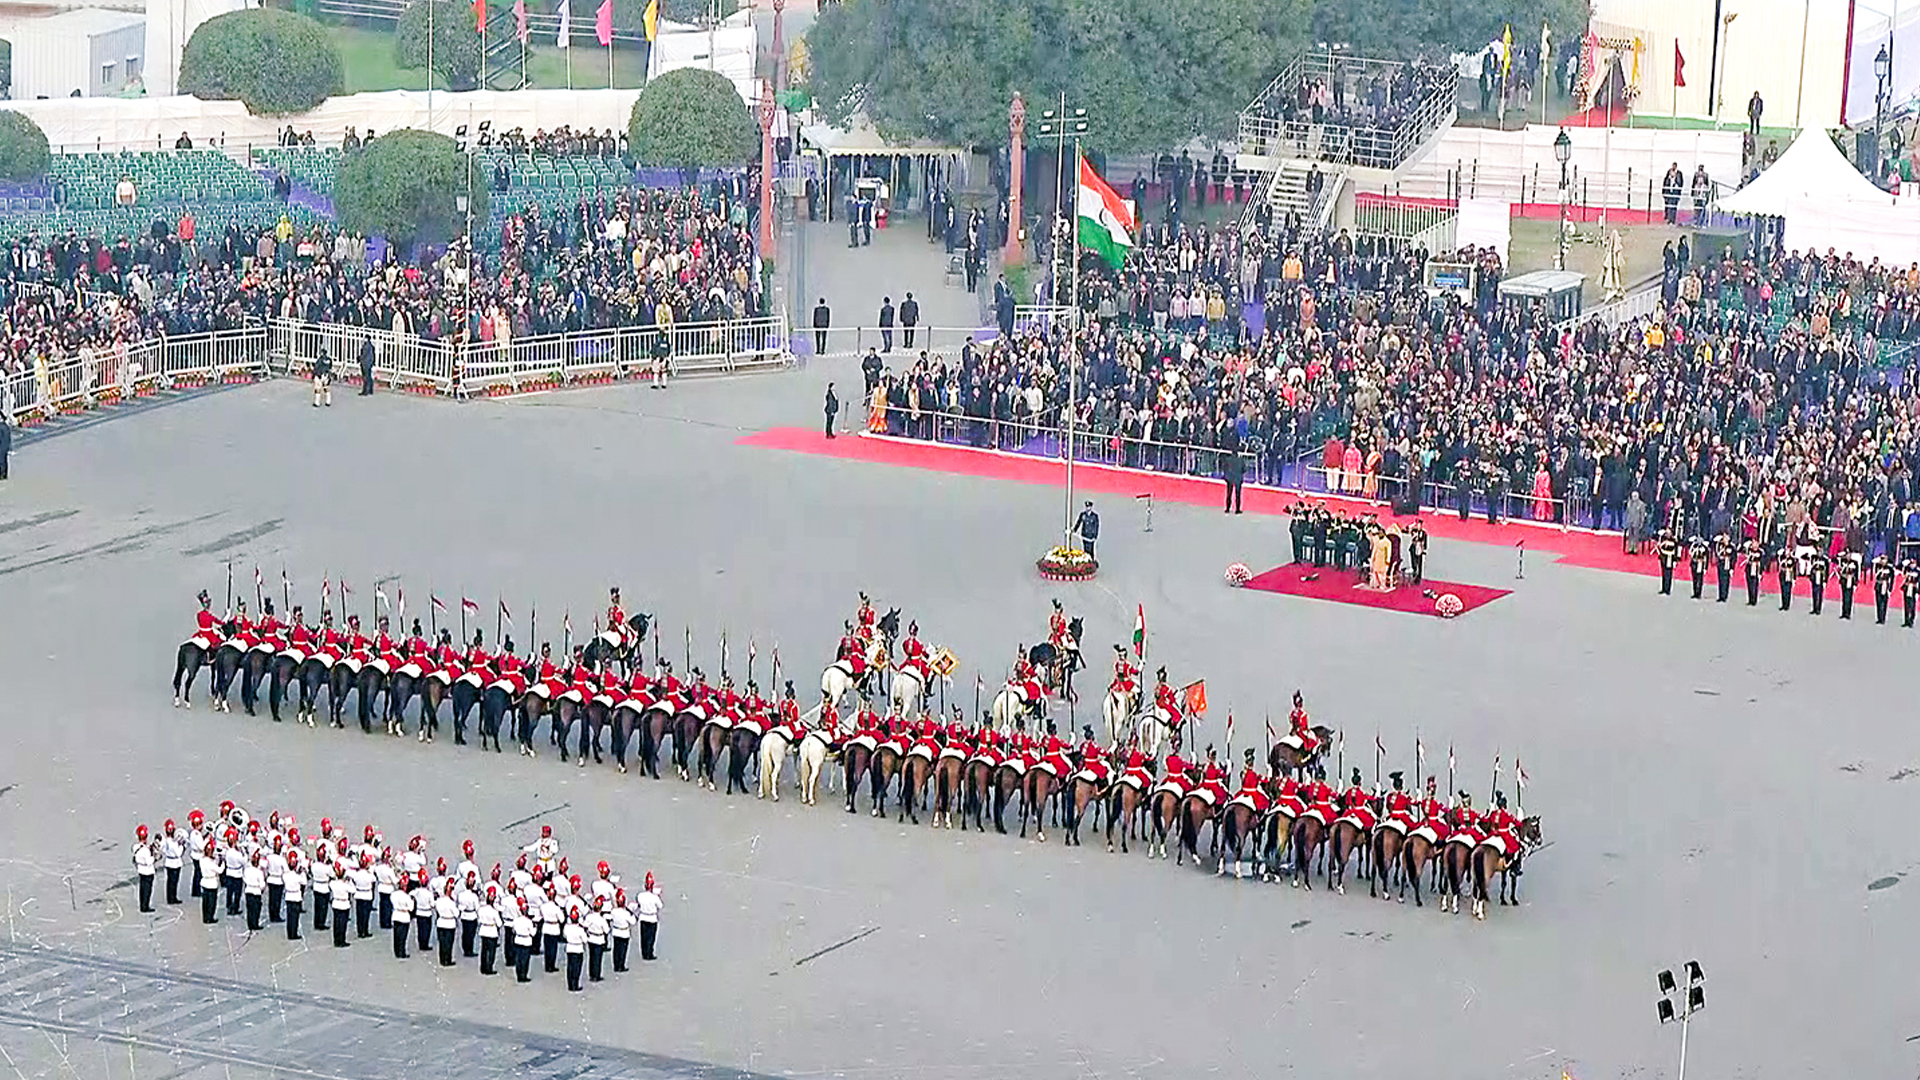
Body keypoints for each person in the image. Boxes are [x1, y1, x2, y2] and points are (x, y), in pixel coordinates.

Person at [635, 871, 662, 959]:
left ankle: (644, 952)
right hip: (652, 917)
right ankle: (649, 952)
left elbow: (638, 904)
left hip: (643, 917)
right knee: (651, 937)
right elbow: (660, 906)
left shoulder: (640, 895)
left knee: (643, 936)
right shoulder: (655, 897)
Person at [133, 825, 156, 913]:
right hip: (148, 871)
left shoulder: (136, 847)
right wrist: (155, 857)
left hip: (140, 870)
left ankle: (142, 904)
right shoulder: (145, 850)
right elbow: (149, 862)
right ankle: (145, 906)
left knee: (142, 889)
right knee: (147, 889)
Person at [564, 909, 588, 991]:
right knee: (576, 968)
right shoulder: (580, 929)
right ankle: (575, 984)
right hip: (578, 949)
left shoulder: (567, 927)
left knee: (570, 967)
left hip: (570, 948)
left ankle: (570, 984)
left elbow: (564, 935)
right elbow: (585, 940)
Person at [389, 875, 413, 958]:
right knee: (403, 936)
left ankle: (396, 951)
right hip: (404, 916)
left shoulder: (393, 894)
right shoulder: (407, 897)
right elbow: (411, 908)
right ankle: (401, 952)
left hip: (396, 915)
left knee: (396, 935)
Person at [1839, 549, 1862, 620]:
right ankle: (1843, 612)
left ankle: (1848, 613)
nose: (1848, 556)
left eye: (1849, 554)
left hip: (1851, 580)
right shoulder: (1843, 561)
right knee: (1844, 597)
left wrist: (1855, 583)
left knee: (1848, 597)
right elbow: (1841, 570)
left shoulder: (1854, 562)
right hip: (1844, 579)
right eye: (1847, 554)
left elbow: (1857, 573)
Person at [1807, 549, 1831, 616]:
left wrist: (1825, 580)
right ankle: (1814, 608)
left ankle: (1818, 609)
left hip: (1821, 578)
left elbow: (1827, 571)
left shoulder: (1825, 560)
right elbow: (1811, 567)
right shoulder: (1814, 558)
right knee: (1814, 593)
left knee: (1820, 593)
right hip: (1815, 577)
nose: (1819, 553)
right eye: (1818, 551)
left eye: (1821, 551)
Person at [1656, 529, 1679, 595]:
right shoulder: (1663, 538)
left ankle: (1667, 589)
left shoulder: (1674, 540)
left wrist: (1675, 560)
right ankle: (1663, 588)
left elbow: (1675, 551)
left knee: (1668, 573)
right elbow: (1660, 547)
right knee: (1663, 573)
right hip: (1664, 557)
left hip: (1670, 557)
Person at [1713, 534, 1734, 603]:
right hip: (1721, 564)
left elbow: (1734, 558)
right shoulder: (1720, 545)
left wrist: (1732, 567)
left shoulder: (1731, 547)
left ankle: (1724, 595)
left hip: (1727, 564)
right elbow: (1717, 553)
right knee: (1720, 580)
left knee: (1726, 580)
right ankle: (1720, 595)